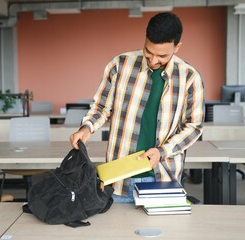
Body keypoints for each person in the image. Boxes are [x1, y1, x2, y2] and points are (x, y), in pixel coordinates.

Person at [70, 12, 205, 203]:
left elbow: (194, 126)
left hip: (163, 178)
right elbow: (101, 107)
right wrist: (87, 128)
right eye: (148, 52)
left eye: (162, 56)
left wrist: (163, 151)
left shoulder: (190, 78)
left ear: (177, 47)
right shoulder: (120, 65)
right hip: (119, 179)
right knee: (116, 232)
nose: (153, 60)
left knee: (163, 233)